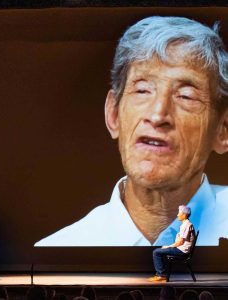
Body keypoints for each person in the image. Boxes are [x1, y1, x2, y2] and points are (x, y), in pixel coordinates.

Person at [35, 16, 228, 247]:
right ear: (114, 114)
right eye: (143, 90)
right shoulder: (60, 253)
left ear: (223, 130)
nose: (158, 115)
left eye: (185, 96)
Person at [149, 205, 194, 282]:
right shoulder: (185, 224)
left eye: (179, 213)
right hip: (181, 249)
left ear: (184, 215)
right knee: (160, 250)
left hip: (182, 251)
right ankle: (161, 273)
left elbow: (180, 242)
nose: (177, 215)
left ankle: (161, 275)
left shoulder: (186, 225)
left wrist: (168, 247)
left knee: (156, 252)